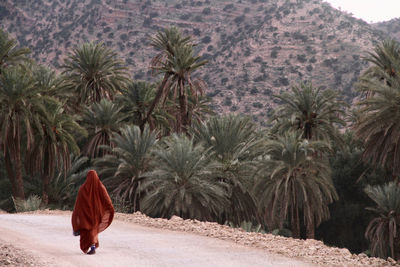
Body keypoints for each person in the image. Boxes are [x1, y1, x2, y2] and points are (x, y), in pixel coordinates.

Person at [72, 170, 114, 255]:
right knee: (93, 230)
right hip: (96, 215)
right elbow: (107, 199)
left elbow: (78, 204)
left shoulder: (83, 189)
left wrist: (77, 215)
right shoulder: (100, 187)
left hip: (85, 215)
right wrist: (109, 208)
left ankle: (92, 247)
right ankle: (92, 246)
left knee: (88, 231)